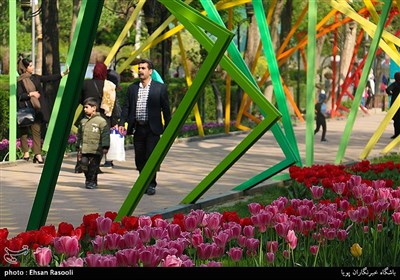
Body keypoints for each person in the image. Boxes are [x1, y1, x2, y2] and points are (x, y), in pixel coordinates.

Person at [118, 58, 171, 196]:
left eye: (143, 68)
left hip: (153, 129)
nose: (140, 71)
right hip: (138, 128)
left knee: (150, 157)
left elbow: (166, 110)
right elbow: (126, 107)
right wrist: (121, 123)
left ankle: (151, 184)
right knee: (139, 158)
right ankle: (144, 181)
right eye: (139, 68)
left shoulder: (160, 88)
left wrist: (168, 129)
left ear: (150, 71)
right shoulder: (132, 88)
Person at [16, 57, 69, 163]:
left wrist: (63, 74)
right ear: (25, 68)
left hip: (37, 108)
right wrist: (31, 94)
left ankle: (37, 154)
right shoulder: (20, 81)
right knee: (24, 132)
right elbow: (19, 95)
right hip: (25, 108)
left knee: (36, 131)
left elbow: (48, 78)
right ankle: (26, 152)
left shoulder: (35, 77)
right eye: (30, 65)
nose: (33, 67)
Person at [75, 62, 119, 173]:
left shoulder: (86, 84)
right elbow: (112, 105)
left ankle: (79, 165)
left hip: (87, 116)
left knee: (84, 140)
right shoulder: (109, 86)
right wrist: (114, 122)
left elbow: (79, 99)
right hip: (103, 118)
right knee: (99, 143)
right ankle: (95, 166)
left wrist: (87, 105)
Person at [76, 97, 110, 189]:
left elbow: (105, 134)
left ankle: (91, 182)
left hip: (96, 149)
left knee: (93, 167)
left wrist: (105, 146)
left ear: (94, 108)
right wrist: (78, 145)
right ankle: (89, 179)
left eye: (87, 107)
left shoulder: (101, 121)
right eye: (84, 107)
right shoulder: (83, 121)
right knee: (83, 164)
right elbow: (79, 135)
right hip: (85, 149)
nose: (84, 109)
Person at [102, 69, 122, 168]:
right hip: (112, 118)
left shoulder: (107, 89)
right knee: (109, 138)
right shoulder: (113, 89)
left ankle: (108, 160)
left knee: (106, 139)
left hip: (108, 117)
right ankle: (109, 160)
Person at [385, 72, 400, 139]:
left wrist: (391, 93)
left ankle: (396, 134)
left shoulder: (395, 84)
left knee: (396, 120)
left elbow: (388, 89)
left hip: (395, 105)